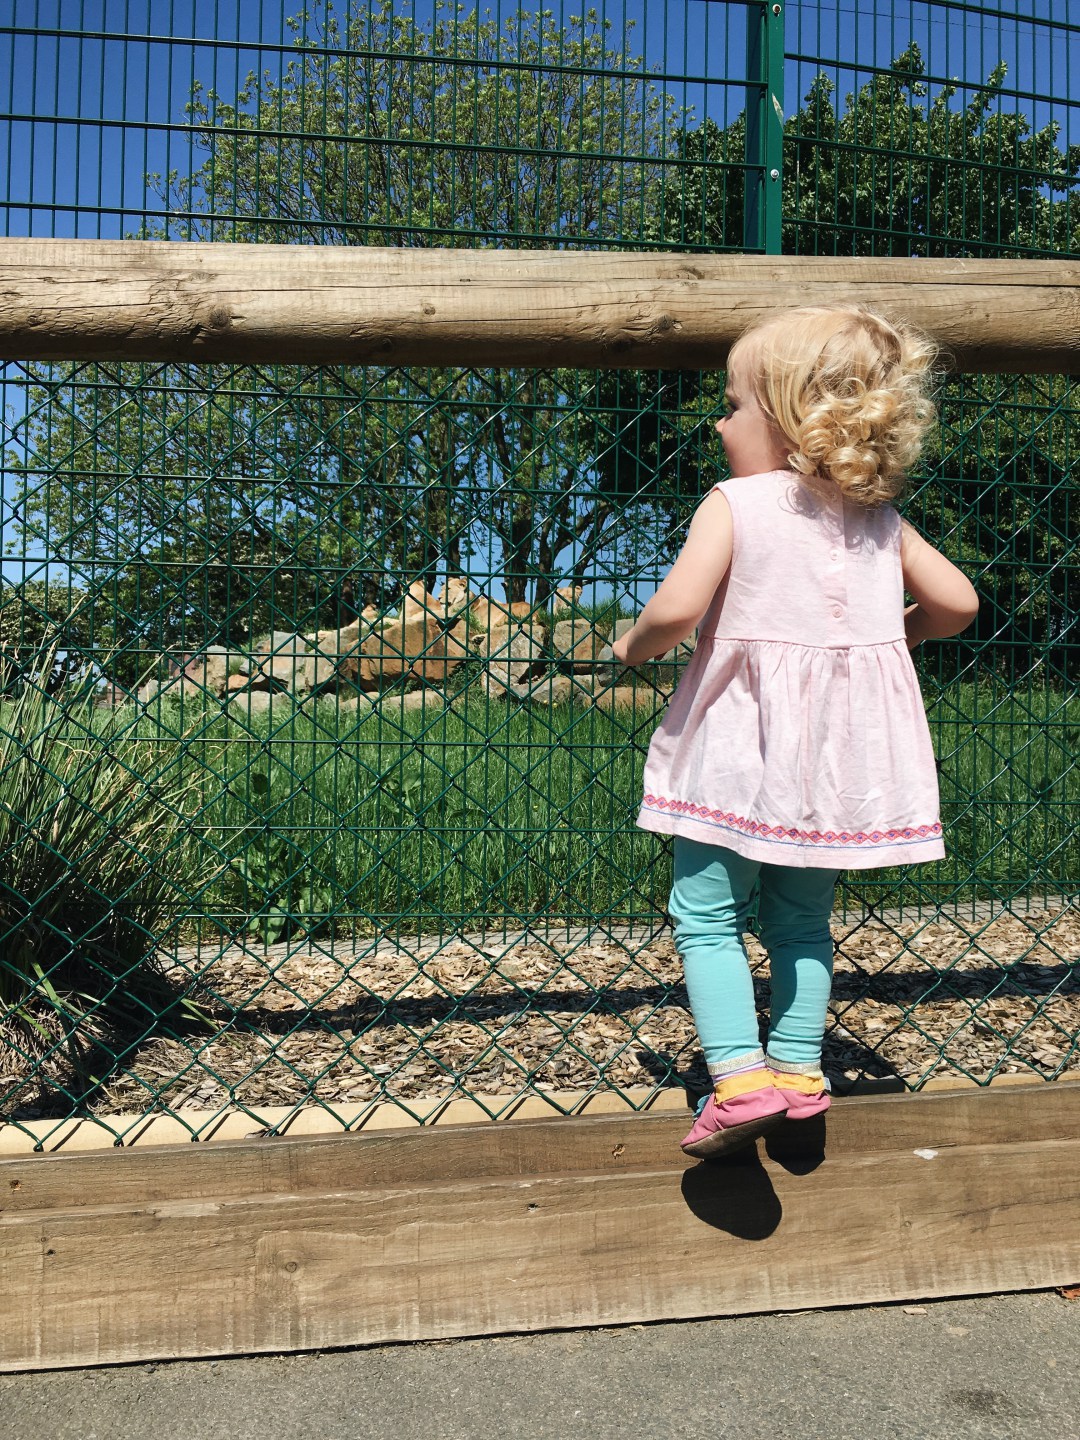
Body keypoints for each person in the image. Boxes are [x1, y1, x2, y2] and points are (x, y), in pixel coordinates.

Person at [610, 305, 979, 1159]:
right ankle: (801, 1074)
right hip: (833, 770)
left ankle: (738, 1080)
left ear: (782, 416)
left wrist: (630, 647)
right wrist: (900, 632)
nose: (720, 421)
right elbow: (958, 604)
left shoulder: (736, 502)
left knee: (704, 915)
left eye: (734, 405)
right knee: (803, 923)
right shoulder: (880, 522)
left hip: (736, 760)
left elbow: (675, 608)